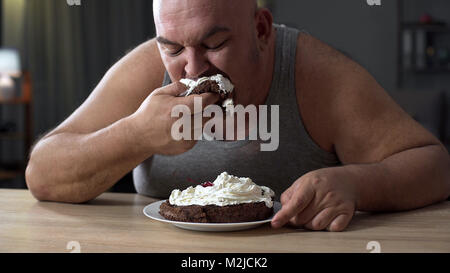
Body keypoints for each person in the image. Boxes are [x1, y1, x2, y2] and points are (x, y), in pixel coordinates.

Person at [25, 0, 450, 232]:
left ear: (261, 30)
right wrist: (136, 134)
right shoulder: (145, 69)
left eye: (214, 44)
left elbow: (434, 165)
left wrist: (357, 183)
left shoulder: (316, 74)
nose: (192, 69)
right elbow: (42, 173)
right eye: (172, 48)